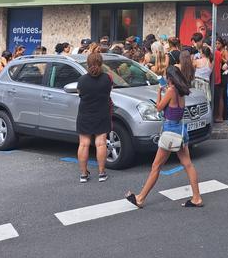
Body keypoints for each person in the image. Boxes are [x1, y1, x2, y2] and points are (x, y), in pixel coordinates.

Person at [125, 66, 203, 208]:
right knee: (188, 164)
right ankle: (196, 197)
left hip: (170, 131)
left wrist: (159, 92)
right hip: (181, 130)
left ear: (170, 78)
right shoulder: (181, 92)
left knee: (156, 166)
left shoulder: (171, 91)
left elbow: (159, 107)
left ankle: (140, 198)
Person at [75, 52, 112, 183]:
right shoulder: (107, 78)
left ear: (88, 64)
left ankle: (84, 174)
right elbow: (109, 92)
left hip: (85, 114)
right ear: (101, 64)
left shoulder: (81, 80)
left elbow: (80, 94)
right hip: (102, 113)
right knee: (101, 143)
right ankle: (102, 173)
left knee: (84, 144)